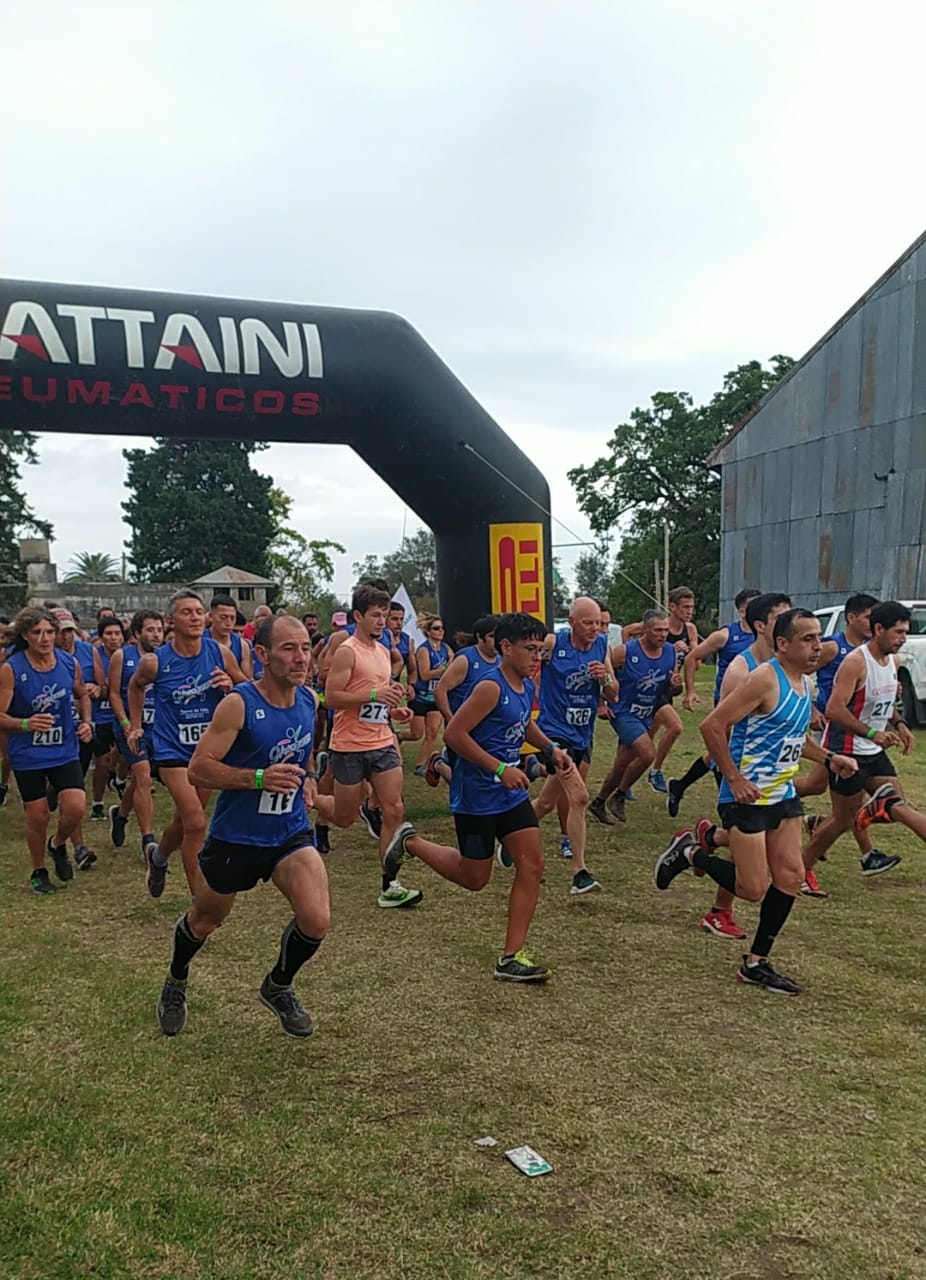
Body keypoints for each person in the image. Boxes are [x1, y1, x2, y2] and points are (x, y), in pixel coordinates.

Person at [654, 608, 858, 995]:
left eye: (818, 637)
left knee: (791, 877)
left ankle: (756, 962)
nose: (818, 646)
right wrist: (734, 778)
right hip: (746, 797)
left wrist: (830, 759)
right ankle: (690, 853)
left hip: (782, 795)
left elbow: (796, 738)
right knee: (752, 888)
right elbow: (713, 725)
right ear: (783, 644)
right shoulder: (764, 678)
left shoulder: (805, 683)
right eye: (808, 639)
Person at [379, 612, 579, 982]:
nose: (537, 657)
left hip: (510, 795)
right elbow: (454, 735)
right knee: (474, 879)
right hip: (476, 794)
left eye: (541, 650)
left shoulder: (526, 685)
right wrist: (500, 769)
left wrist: (550, 748)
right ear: (506, 647)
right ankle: (411, 843)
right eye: (530, 649)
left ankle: (510, 957)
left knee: (533, 864)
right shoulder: (490, 687)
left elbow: (523, 723)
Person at [155, 613, 328, 1038]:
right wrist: (257, 778)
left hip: (288, 832)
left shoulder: (309, 700)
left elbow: (303, 751)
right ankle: (176, 979)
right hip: (237, 837)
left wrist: (307, 778)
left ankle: (278, 986)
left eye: (305, 648)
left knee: (316, 919)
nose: (301, 657)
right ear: (263, 655)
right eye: (289, 649)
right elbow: (198, 769)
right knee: (205, 920)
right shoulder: (239, 703)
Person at [676, 592, 793, 939]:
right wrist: (731, 775)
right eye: (781, 618)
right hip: (741, 773)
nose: (791, 624)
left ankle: (711, 849)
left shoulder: (786, 665)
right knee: (751, 858)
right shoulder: (741, 670)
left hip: (773, 777)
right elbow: (720, 727)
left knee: (752, 846)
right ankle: (698, 856)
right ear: (761, 625)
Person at [127, 590, 248, 896]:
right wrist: (135, 726)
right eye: (186, 612)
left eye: (198, 611)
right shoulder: (155, 662)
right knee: (195, 822)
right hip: (171, 749)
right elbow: (135, 686)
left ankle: (158, 857)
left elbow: (248, 687)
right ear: (171, 620)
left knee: (184, 820)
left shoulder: (220, 653)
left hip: (207, 750)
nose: (194, 618)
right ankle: (199, 902)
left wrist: (231, 686)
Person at [313, 584, 422, 908]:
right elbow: (331, 698)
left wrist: (392, 711)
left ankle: (390, 884)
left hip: (382, 740)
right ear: (358, 616)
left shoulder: (384, 651)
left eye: (384, 615)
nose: (382, 621)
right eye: (376, 615)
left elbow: (376, 697)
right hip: (349, 744)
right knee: (344, 818)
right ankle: (310, 796)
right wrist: (375, 695)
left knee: (394, 809)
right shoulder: (347, 651)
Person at [801, 600, 921, 886]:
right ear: (878, 630)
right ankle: (798, 872)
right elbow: (834, 709)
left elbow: (883, 700)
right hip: (846, 750)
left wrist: (900, 724)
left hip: (873, 751)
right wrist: (871, 733)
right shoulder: (856, 662)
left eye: (906, 632)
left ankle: (862, 816)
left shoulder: (893, 661)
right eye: (899, 632)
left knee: (898, 807)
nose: (903, 639)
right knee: (842, 820)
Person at [0, 608, 94, 894]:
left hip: (64, 748)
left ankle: (58, 844)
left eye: (50, 632)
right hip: (28, 753)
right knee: (38, 814)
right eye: (37, 632)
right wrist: (25, 723)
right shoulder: (12, 668)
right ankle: (38, 870)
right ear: (25, 636)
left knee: (76, 806)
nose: (45, 638)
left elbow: (81, 693)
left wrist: (86, 722)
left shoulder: (68, 662)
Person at [794, 593, 881, 894]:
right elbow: (797, 673)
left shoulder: (871, 650)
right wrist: (812, 709)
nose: (873, 622)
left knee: (817, 786)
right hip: (832, 728)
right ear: (852, 618)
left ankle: (789, 804)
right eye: (869, 616)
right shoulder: (833, 647)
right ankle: (868, 853)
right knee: (848, 802)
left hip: (855, 732)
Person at [531, 596, 609, 893]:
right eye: (588, 623)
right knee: (579, 796)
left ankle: (508, 834)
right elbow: (526, 664)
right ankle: (580, 872)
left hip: (582, 734)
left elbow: (613, 693)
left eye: (598, 623)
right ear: (572, 621)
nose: (594, 628)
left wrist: (605, 680)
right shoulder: (554, 643)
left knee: (546, 803)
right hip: (553, 734)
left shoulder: (602, 646)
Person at [589, 608, 678, 825]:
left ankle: (599, 802)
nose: (663, 634)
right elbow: (601, 670)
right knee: (647, 754)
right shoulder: (626, 652)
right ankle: (620, 794)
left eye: (666, 630)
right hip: (623, 711)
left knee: (621, 765)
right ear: (645, 629)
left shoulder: (670, 652)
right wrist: (601, 702)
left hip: (646, 713)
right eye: (658, 630)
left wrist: (677, 686)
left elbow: (671, 689)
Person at [107, 610, 164, 856]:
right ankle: (148, 839)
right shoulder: (123, 655)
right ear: (138, 633)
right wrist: (125, 723)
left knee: (141, 779)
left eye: (160, 630)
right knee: (143, 776)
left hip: (157, 728)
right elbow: (113, 693)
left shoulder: (165, 657)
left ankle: (120, 815)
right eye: (150, 630)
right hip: (131, 726)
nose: (156, 635)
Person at [430, 615, 500, 786]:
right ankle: (439, 764)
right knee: (461, 780)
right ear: (480, 637)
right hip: (463, 727)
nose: (497, 641)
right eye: (492, 636)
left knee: (484, 777)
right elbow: (440, 690)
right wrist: (450, 718)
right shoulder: (465, 659)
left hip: (487, 728)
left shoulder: (501, 660)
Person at [53, 613, 99, 869]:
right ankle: (75, 845)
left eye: (69, 630)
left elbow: (89, 691)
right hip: (44, 739)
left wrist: (87, 721)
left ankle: (74, 846)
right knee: (65, 794)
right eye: (60, 631)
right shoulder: (24, 661)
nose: (65, 636)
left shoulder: (80, 658)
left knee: (74, 791)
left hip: (75, 733)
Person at [88, 617, 127, 820]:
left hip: (124, 716)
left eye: (117, 633)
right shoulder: (95, 658)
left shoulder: (130, 656)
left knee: (129, 754)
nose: (113, 638)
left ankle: (119, 780)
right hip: (101, 716)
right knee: (102, 763)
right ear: (101, 637)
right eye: (109, 634)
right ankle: (97, 803)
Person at [407, 615, 453, 774]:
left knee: (432, 732)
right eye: (436, 628)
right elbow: (425, 675)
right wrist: (445, 669)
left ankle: (421, 765)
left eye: (442, 628)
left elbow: (453, 662)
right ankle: (399, 736)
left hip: (435, 697)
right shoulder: (424, 650)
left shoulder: (446, 648)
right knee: (416, 734)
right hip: (420, 696)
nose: (441, 631)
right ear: (428, 631)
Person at [207, 594, 254, 680]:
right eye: (223, 617)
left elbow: (248, 681)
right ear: (211, 616)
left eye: (232, 618)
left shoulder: (242, 645)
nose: (228, 623)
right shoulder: (199, 640)